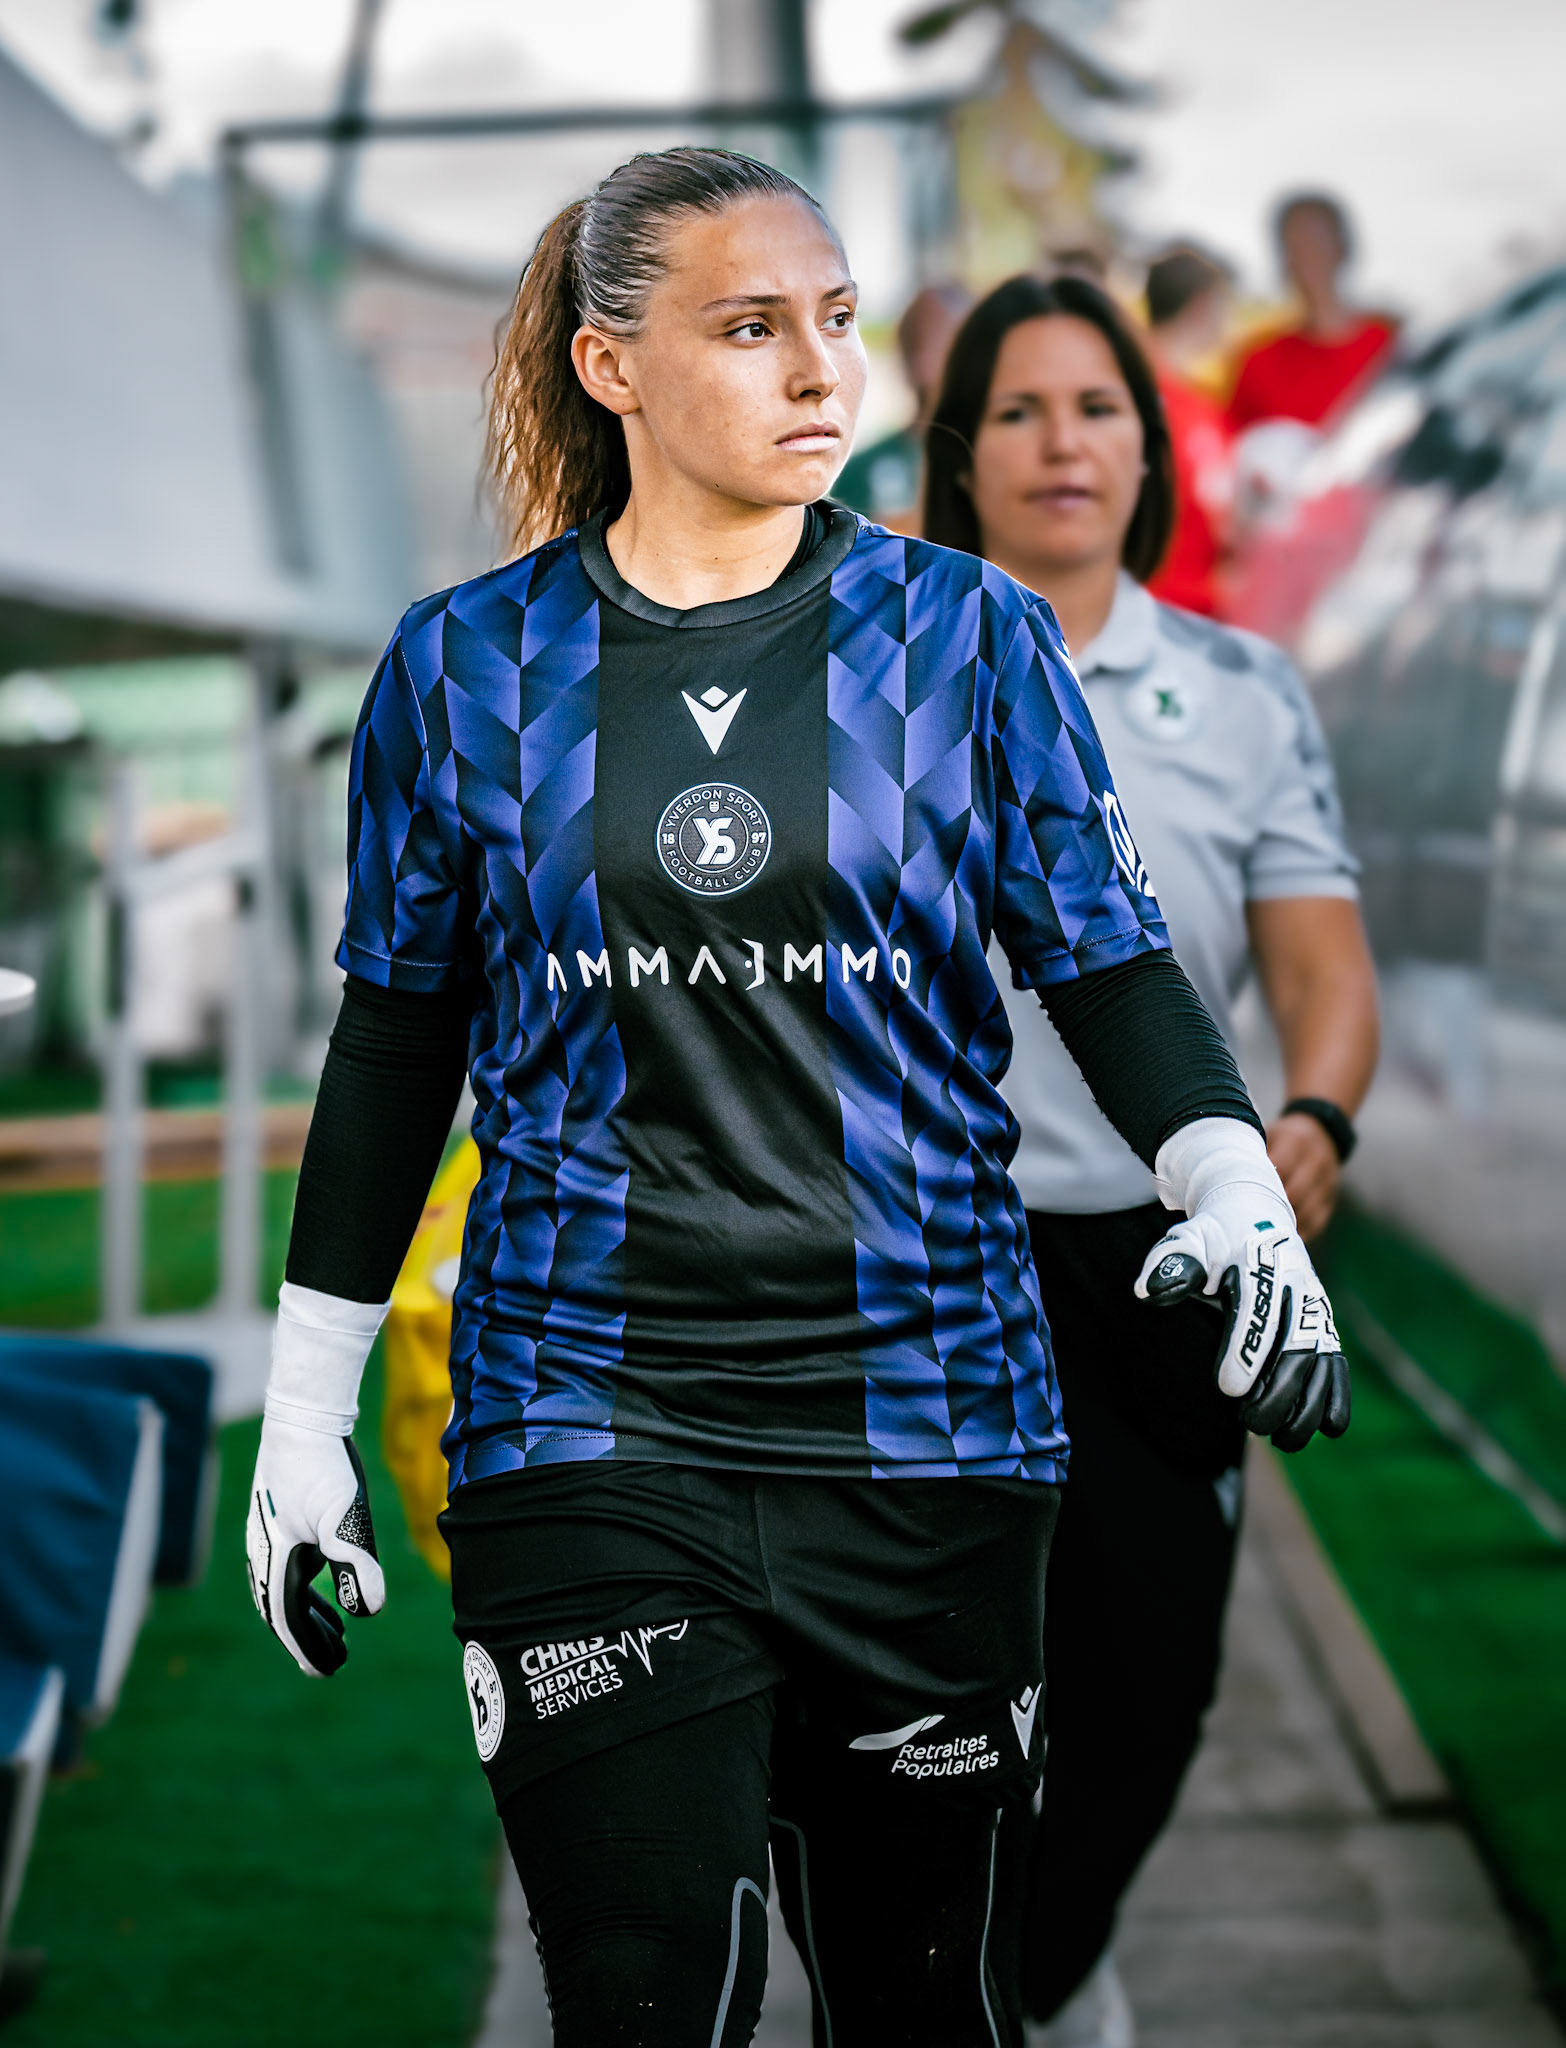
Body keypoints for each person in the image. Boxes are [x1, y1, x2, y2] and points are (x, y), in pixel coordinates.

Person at [244, 148, 1349, 2047]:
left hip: (930, 1436)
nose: (817, 370)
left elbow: (1105, 964)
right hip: (585, 1425)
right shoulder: (463, 669)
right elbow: (392, 1047)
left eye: (833, 322)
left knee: (925, 2008)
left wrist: (1232, 1181)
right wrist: (302, 1407)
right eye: (749, 327)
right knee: (648, 1987)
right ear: (613, 367)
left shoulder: (967, 640)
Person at [920, 273, 1378, 2045]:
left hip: (1158, 1264)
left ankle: (1035, 1970)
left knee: (1143, 1683)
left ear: (1143, 444)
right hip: (925, 1263)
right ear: (959, 456)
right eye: (1019, 410)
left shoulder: (1239, 694)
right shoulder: (869, 687)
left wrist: (1309, 1126)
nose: (1060, 443)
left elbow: (1318, 978)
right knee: (922, 1695)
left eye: (1094, 406)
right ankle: (988, 1980)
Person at [1228, 193, 1396, 434]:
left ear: (1342, 248)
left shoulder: (1390, 351)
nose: (1309, 257)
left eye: (1318, 242)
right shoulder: (1259, 362)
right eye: (1296, 247)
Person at [1143, 245, 1236, 618]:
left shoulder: (1201, 406)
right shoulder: (1124, 396)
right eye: (1225, 307)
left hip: (1195, 623)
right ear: (1202, 305)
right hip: (1152, 619)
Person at [831, 281, 971, 528]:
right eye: (914, 338)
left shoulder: (996, 462)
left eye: (941, 334)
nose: (923, 353)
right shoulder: (860, 469)